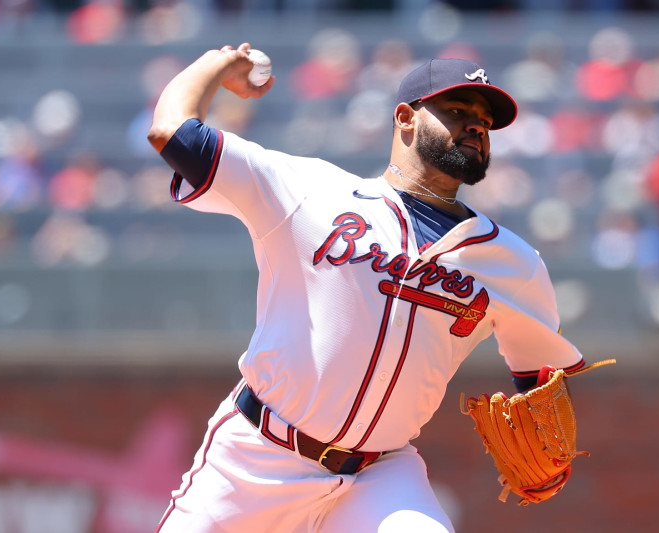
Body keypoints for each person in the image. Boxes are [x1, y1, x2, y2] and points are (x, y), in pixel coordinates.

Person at [147, 43, 585, 533]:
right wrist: (218, 64)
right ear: (405, 118)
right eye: (458, 110)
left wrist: (547, 436)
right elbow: (171, 132)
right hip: (257, 460)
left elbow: (540, 380)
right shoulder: (309, 191)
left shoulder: (514, 264)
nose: (476, 126)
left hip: (380, 477)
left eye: (485, 120)